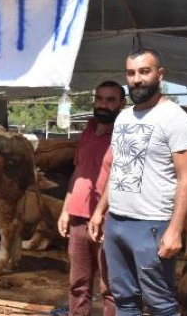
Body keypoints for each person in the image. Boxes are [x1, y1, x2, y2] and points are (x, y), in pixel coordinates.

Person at [88, 48, 187, 316]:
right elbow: (118, 168)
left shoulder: (175, 118)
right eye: (131, 73)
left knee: (160, 303)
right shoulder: (124, 117)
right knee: (123, 299)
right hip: (117, 223)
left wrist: (175, 230)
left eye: (144, 72)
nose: (136, 79)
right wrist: (101, 211)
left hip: (151, 225)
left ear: (160, 75)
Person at [57, 80, 125, 316]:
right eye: (99, 98)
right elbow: (78, 172)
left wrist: (100, 213)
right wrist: (66, 209)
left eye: (110, 100)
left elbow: (119, 177)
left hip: (110, 220)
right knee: (78, 285)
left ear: (121, 104)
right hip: (78, 219)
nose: (103, 105)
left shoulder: (124, 135)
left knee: (111, 287)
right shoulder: (86, 132)